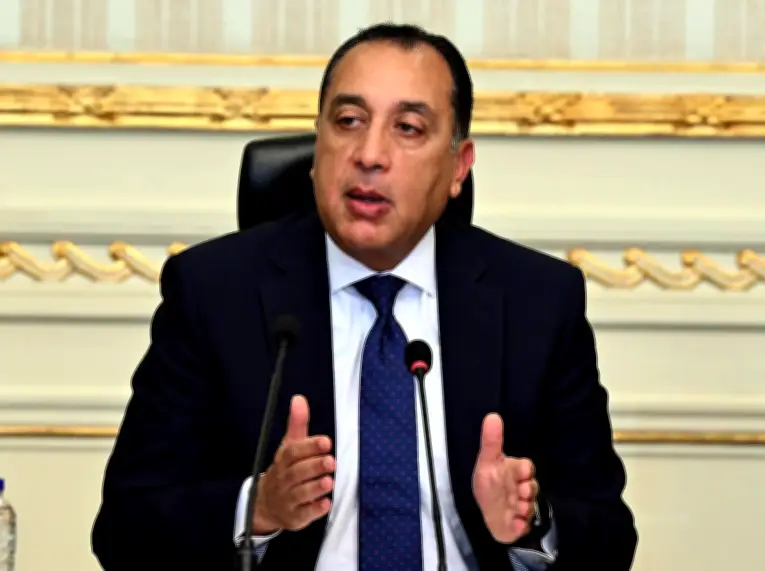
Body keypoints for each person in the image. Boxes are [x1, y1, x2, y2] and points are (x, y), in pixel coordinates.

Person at [91, 23, 637, 571]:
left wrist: (530, 521)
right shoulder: (213, 293)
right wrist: (256, 509)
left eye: (408, 128)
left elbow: (610, 539)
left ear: (458, 167)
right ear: (317, 147)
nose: (370, 154)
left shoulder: (537, 302)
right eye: (348, 121)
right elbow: (124, 529)